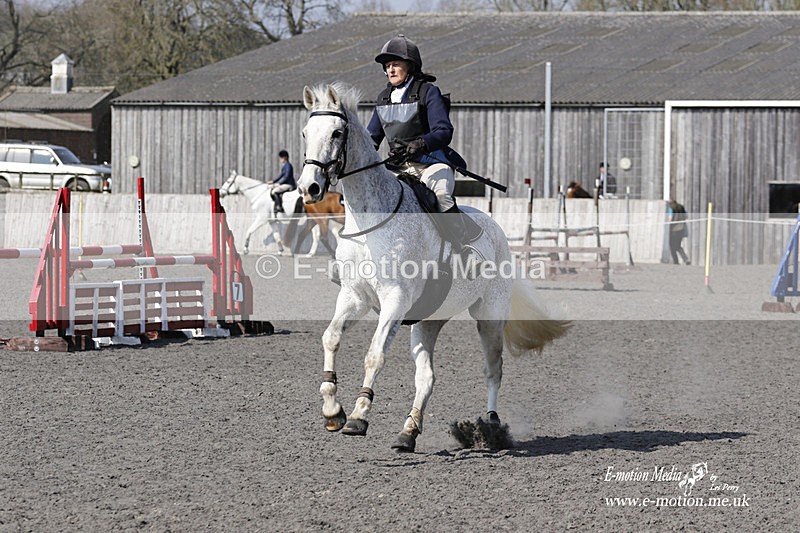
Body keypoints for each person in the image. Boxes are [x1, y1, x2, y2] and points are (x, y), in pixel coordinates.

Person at [366, 34, 484, 269]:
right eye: (387, 66)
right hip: (399, 168)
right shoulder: (383, 98)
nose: (390, 70)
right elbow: (372, 138)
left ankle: (464, 251)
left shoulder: (429, 92)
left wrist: (421, 142)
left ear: (410, 66)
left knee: (442, 195)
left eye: (395, 64)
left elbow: (444, 130)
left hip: (431, 163)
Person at [667, 199, 690, 265]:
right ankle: (685, 259)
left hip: (674, 229)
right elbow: (686, 216)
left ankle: (676, 261)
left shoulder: (671, 208)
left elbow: (670, 218)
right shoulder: (681, 207)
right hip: (682, 228)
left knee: (672, 246)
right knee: (678, 246)